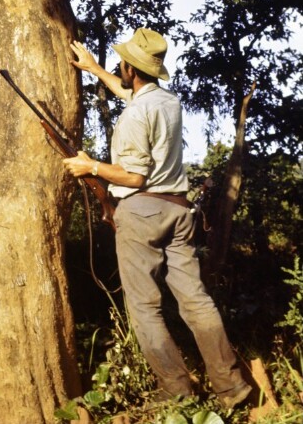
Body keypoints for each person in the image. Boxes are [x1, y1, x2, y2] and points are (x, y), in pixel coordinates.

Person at [63, 28, 252, 409]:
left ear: (132, 69)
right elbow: (130, 92)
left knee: (144, 307)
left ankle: (177, 393)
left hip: (142, 209)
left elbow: (134, 177)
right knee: (196, 302)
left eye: (122, 65)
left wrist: (91, 166)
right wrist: (97, 70)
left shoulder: (135, 115)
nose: (121, 69)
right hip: (179, 210)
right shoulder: (168, 102)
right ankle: (233, 388)